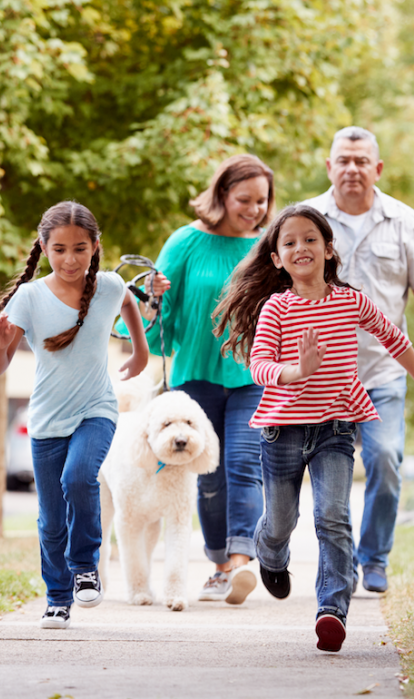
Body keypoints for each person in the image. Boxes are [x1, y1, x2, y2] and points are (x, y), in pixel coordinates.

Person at [213, 205, 414, 652]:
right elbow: (260, 365)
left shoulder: (350, 300)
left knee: (333, 517)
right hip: (282, 430)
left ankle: (332, 610)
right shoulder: (276, 308)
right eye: (289, 243)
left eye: (310, 239)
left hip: (335, 428)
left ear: (327, 248)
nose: (300, 247)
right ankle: (271, 555)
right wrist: (296, 371)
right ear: (277, 260)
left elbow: (394, 337)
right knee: (281, 520)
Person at [0, 201, 151, 630]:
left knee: (78, 478)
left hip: (96, 409)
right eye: (60, 249)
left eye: (80, 248)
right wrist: (0, 343)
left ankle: (86, 567)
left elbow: (129, 305)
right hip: (46, 420)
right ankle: (58, 598)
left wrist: (140, 351)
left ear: (95, 246)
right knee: (50, 519)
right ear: (43, 247)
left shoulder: (108, 286)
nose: (70, 259)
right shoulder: (29, 297)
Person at [302, 126, 414, 595]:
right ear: (329, 167)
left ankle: (375, 557)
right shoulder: (307, 221)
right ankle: (339, 567)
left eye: (361, 161)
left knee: (385, 459)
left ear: (377, 168)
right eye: (343, 160)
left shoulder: (404, 220)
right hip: (324, 377)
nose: (351, 168)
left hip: (385, 369)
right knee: (328, 480)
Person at [127, 154, 275, 605]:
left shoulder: (268, 246)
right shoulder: (186, 242)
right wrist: (152, 298)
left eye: (261, 201)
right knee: (207, 475)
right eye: (243, 199)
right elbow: (160, 322)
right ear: (222, 195)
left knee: (244, 466)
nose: (253, 209)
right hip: (195, 377)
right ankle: (218, 565)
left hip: (252, 374)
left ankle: (240, 563)